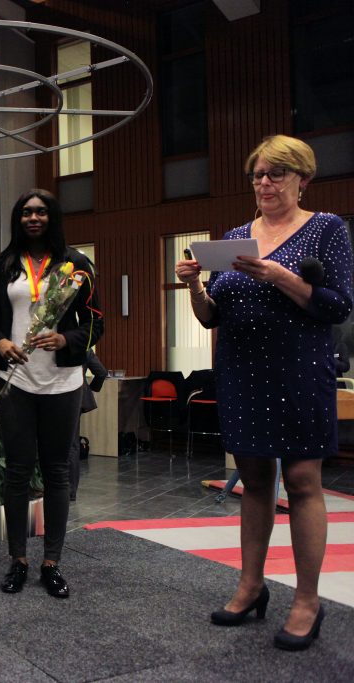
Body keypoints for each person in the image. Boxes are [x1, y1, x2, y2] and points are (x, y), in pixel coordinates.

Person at [176, 134, 352, 650]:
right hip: (243, 371)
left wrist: (280, 277)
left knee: (301, 480)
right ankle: (250, 586)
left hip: (300, 370)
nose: (265, 183)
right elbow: (212, 316)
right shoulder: (235, 236)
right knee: (253, 480)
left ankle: (307, 600)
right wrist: (194, 285)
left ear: (303, 179)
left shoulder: (326, 229)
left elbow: (338, 305)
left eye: (276, 173)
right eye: (258, 174)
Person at [0, 189, 102, 599]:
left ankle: (51, 562)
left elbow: (96, 323)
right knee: (17, 472)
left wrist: (66, 339)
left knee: (56, 472)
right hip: (16, 381)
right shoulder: (2, 266)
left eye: (42, 212)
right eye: (26, 212)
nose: (33, 218)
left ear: (53, 217)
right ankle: (18, 559)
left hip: (62, 383)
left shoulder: (76, 264)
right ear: (18, 218)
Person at [69, 350, 108, 501]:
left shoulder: (50, 345)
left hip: (53, 398)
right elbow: (101, 372)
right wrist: (90, 389)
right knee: (72, 445)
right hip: (78, 397)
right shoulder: (83, 347)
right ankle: (71, 491)